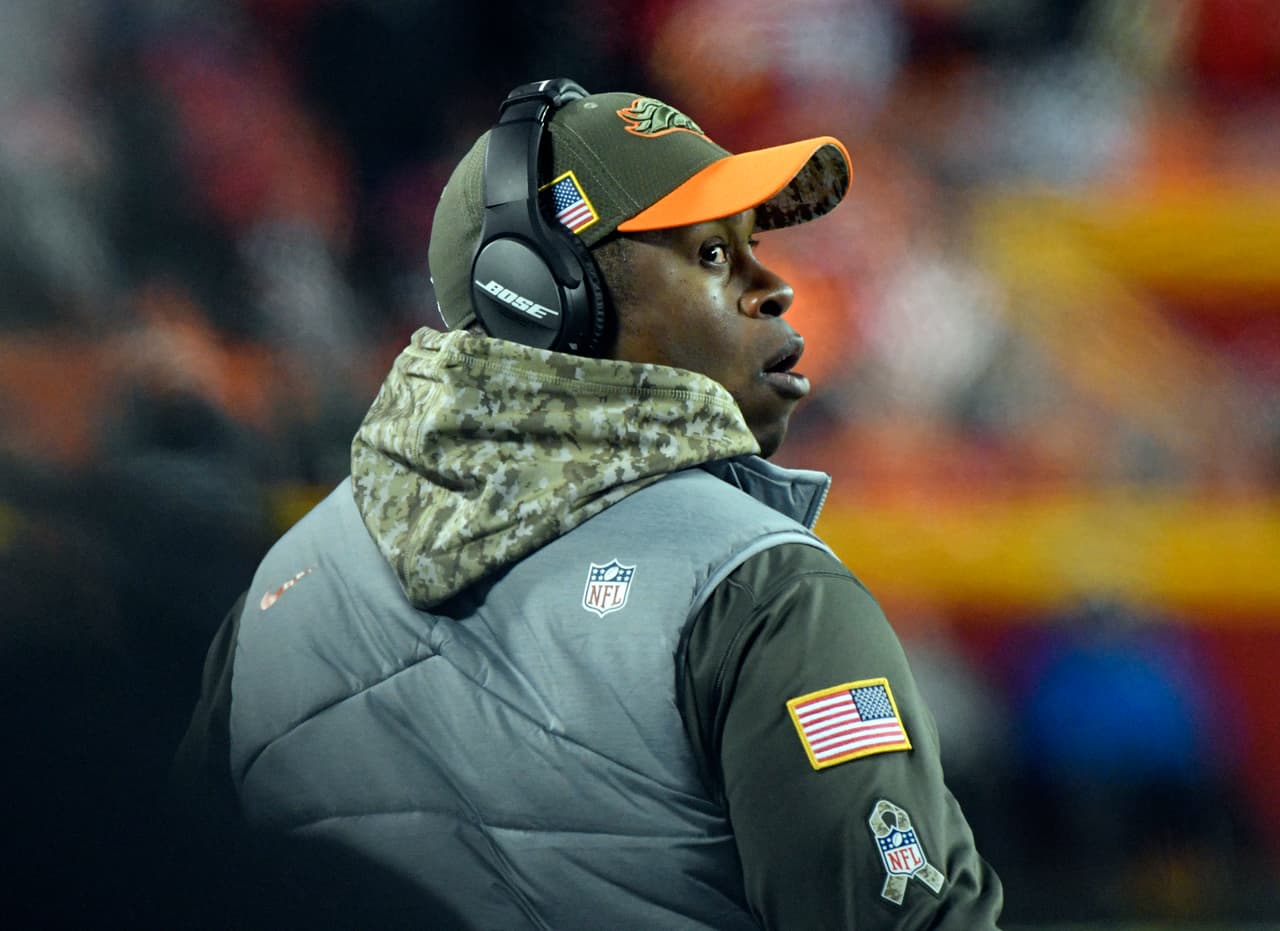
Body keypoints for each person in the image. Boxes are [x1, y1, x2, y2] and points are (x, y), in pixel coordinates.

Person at [174, 78, 1004, 929]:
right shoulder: (761, 590)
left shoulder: (272, 596)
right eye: (713, 254)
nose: (774, 286)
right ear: (540, 295)